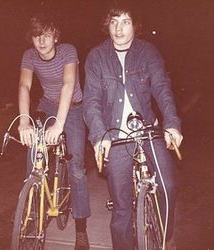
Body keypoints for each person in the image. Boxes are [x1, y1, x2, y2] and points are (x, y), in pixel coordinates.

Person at [83, 2, 183, 250]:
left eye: (125, 22)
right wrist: (99, 137)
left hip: (149, 129)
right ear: (107, 24)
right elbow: (91, 101)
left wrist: (172, 124)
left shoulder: (148, 52)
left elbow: (162, 89)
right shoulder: (96, 57)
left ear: (134, 26)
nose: (119, 29)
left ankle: (162, 236)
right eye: (114, 22)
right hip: (114, 135)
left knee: (168, 186)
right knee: (121, 207)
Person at [18, 12, 90, 250]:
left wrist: (59, 125)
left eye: (46, 35)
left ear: (55, 37)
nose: (41, 40)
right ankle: (29, 212)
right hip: (48, 104)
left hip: (74, 106)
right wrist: (24, 122)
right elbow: (24, 86)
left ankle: (81, 229)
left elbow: (69, 83)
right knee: (34, 153)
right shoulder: (29, 56)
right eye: (37, 35)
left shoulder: (68, 50)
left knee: (76, 165)